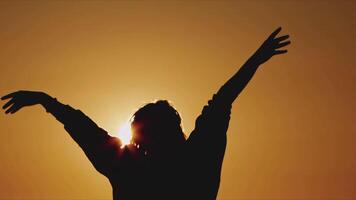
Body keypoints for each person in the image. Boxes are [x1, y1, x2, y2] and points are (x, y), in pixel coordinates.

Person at [1, 27, 290, 200]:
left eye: (148, 139)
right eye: (142, 141)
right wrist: (45, 100)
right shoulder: (137, 164)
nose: (144, 147)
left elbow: (222, 102)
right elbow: (85, 129)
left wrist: (45, 101)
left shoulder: (178, 160)